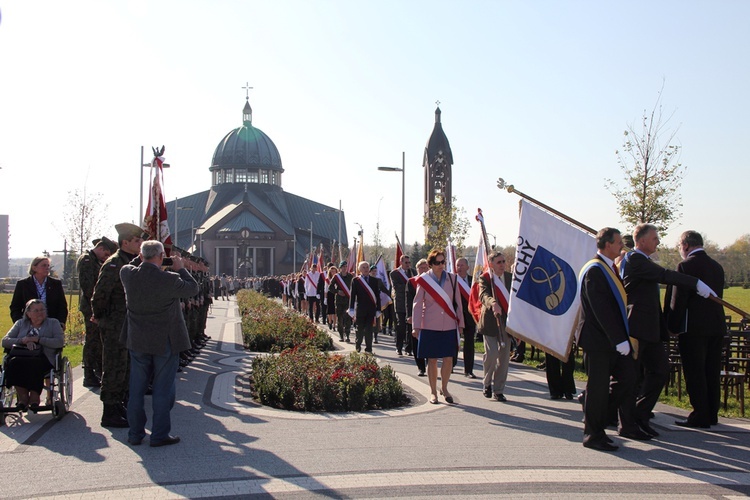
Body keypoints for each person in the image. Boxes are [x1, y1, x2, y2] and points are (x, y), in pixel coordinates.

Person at [620, 223, 715, 438]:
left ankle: (640, 414)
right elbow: (664, 275)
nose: (658, 242)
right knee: (632, 377)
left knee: (660, 370)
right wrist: (695, 283)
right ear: (641, 240)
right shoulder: (635, 260)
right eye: (655, 238)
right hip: (637, 326)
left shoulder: (643, 260)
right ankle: (627, 423)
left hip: (650, 329)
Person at [120, 240, 199, 447]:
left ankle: (135, 434)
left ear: (141, 254)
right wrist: (181, 269)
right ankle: (159, 434)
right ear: (161, 255)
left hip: (137, 339)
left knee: (136, 388)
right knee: (163, 389)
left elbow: (134, 265)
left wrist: (144, 257)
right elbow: (192, 289)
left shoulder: (127, 274)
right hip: (164, 340)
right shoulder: (169, 279)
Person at [578, 227, 637, 451]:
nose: (621, 245)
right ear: (607, 244)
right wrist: (617, 339)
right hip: (598, 340)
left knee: (628, 379)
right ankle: (593, 435)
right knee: (599, 387)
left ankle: (593, 409)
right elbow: (600, 309)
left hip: (613, 340)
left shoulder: (610, 269)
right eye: (618, 242)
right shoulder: (595, 270)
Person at [664, 230, 726, 428]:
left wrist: (672, 325)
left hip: (693, 328)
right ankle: (711, 413)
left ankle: (700, 414)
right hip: (716, 326)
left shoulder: (685, 266)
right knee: (712, 370)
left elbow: (678, 299)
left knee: (695, 371)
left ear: (685, 245)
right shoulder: (717, 267)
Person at [91, 222, 147, 428]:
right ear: (125, 242)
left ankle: (119, 404)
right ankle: (109, 411)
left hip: (129, 324)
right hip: (115, 324)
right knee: (114, 366)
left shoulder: (131, 262)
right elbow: (100, 295)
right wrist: (100, 317)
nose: (141, 244)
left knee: (126, 367)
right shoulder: (114, 264)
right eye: (137, 241)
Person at [412, 249, 464, 404]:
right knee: (432, 359)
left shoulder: (452, 279)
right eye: (437, 263)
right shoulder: (424, 279)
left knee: (448, 358)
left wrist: (460, 323)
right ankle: (433, 391)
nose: (441, 265)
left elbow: (458, 303)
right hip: (429, 324)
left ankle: (445, 388)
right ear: (430, 264)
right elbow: (417, 303)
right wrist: (416, 326)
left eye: (443, 262)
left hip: (449, 324)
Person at [2, 299, 65, 411]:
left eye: (42, 310)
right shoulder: (20, 323)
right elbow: (5, 341)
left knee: (35, 363)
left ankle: (35, 397)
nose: (40, 313)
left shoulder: (53, 323)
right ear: (28, 313)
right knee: (13, 363)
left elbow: (59, 342)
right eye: (36, 310)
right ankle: (23, 397)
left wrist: (39, 339)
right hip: (20, 356)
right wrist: (23, 340)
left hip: (43, 357)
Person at [77, 236, 118, 388]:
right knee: (92, 341)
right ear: (101, 249)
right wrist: (96, 309)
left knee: (98, 341)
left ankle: (97, 371)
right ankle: (89, 374)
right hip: (90, 307)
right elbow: (88, 287)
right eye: (106, 255)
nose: (106, 258)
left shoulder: (95, 260)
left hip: (97, 306)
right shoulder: (87, 260)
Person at [476, 251, 512, 402]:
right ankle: (486, 383)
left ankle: (498, 389)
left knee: (504, 357)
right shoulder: (485, 278)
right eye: (499, 262)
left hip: (507, 322)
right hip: (491, 321)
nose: (502, 265)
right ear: (491, 264)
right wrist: (493, 303)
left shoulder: (510, 278)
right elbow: (483, 295)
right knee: (491, 354)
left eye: (503, 261)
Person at [10, 256, 68, 329]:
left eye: (48, 265)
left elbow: (62, 306)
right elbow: (15, 307)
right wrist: (20, 324)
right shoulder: (23, 284)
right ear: (34, 268)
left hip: (51, 326)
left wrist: (61, 323)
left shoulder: (56, 284)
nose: (47, 268)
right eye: (44, 265)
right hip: (29, 326)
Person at [348, 261, 382, 353]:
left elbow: (377, 296)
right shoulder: (355, 280)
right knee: (359, 330)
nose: (366, 269)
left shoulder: (374, 280)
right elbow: (352, 295)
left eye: (367, 267)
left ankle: (368, 348)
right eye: (363, 267)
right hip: (360, 309)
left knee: (369, 330)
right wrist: (351, 308)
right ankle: (358, 345)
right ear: (359, 269)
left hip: (371, 310)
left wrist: (378, 309)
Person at [407, 259, 430, 376]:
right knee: (416, 341)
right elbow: (409, 300)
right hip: (416, 315)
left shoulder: (433, 282)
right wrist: (409, 315)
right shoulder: (411, 282)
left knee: (429, 341)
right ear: (417, 269)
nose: (424, 270)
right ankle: (421, 367)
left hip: (429, 315)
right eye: (421, 267)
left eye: (426, 267)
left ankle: (429, 363)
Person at [455, 257, 477, 378]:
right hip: (455, 316)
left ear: (468, 267)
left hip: (469, 317)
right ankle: (451, 364)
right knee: (453, 342)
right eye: (458, 265)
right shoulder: (452, 280)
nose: (460, 267)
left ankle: (468, 370)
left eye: (462, 265)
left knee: (469, 344)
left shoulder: (473, 281)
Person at [390, 254, 415, 356]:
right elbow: (397, 287)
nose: (408, 264)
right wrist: (409, 286)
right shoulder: (394, 273)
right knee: (401, 326)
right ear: (401, 262)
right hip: (400, 303)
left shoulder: (413, 272)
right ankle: (399, 347)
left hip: (411, 303)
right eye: (406, 262)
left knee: (410, 327)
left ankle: (408, 349)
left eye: (409, 262)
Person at [330, 261, 353, 342]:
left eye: (346, 266)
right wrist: (337, 291)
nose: (344, 268)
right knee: (340, 319)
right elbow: (330, 287)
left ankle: (347, 335)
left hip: (347, 300)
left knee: (347, 318)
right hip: (339, 300)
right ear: (340, 268)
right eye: (343, 267)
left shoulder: (350, 276)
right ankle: (341, 335)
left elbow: (353, 287)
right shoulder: (336, 277)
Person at [325, 266, 338, 330]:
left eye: (334, 271)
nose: (333, 272)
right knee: (330, 310)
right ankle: (330, 322)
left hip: (336, 294)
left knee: (335, 311)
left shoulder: (338, 278)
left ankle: (334, 325)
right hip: (330, 294)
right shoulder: (327, 279)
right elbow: (326, 289)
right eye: (332, 271)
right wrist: (325, 298)